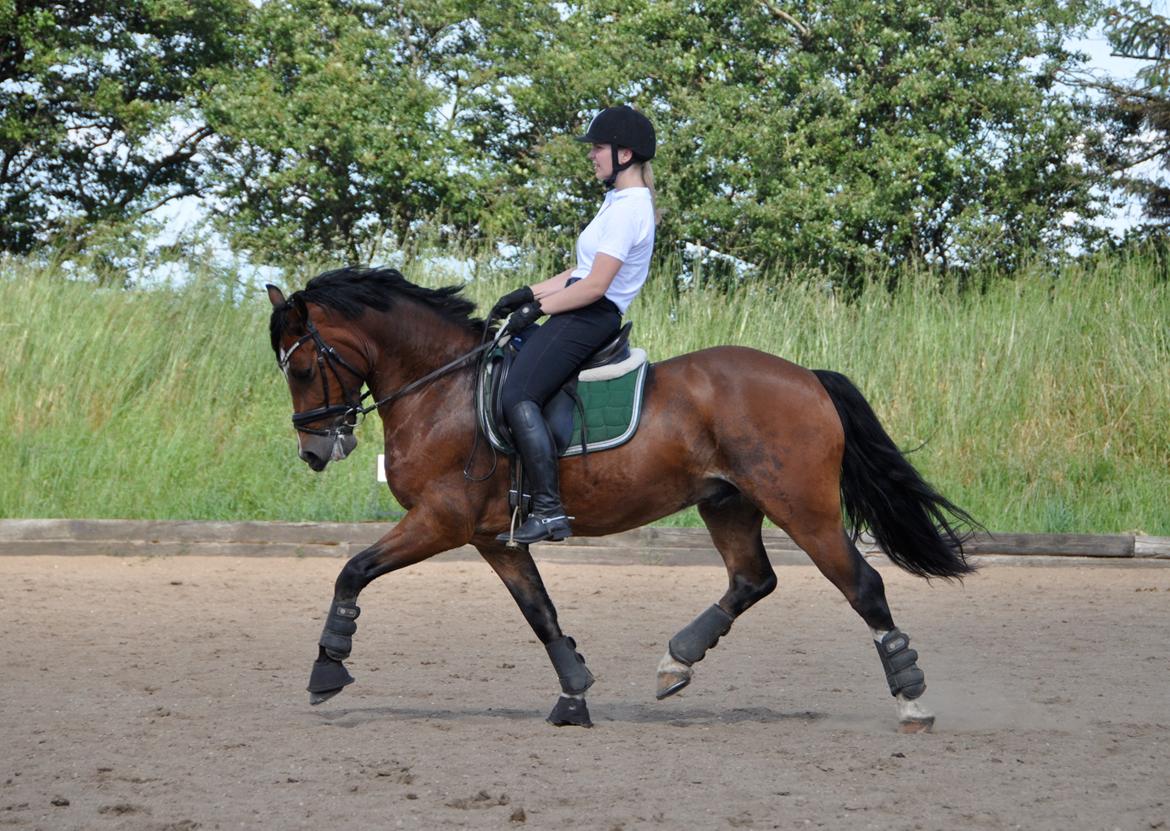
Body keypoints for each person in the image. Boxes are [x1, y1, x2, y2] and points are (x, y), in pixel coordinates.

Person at [491, 104, 660, 545]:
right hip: (580, 305)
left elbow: (595, 286)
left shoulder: (630, 209)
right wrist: (528, 293)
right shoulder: (615, 202)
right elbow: (580, 270)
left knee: (518, 393)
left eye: (599, 148)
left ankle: (548, 509)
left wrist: (542, 310)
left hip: (591, 314)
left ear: (625, 154)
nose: (593, 155)